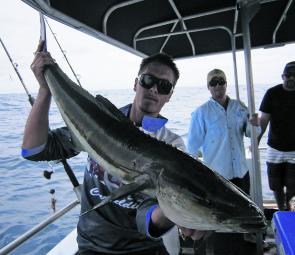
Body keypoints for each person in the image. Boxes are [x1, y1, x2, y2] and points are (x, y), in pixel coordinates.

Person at [21, 41, 205, 255]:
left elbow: (146, 219)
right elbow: (33, 149)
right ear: (136, 84)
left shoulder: (172, 147)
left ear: (170, 95)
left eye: (164, 86)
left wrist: (175, 214)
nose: (154, 89)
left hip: (144, 247)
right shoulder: (100, 123)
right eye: (148, 80)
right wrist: (45, 89)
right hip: (92, 246)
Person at [187, 69, 260, 195]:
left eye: (221, 82)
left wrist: (255, 124)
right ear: (208, 87)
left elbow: (251, 133)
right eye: (213, 83)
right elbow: (192, 147)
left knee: (243, 211)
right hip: (218, 177)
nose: (218, 86)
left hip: (241, 173)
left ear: (226, 84)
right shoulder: (201, 112)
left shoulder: (239, 107)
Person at [258, 61, 295, 211]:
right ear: (282, 76)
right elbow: (263, 121)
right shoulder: (272, 93)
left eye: (294, 76)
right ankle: (282, 208)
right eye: (288, 75)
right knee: (275, 185)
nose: (291, 78)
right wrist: (255, 142)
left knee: (293, 184)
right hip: (274, 148)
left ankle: (287, 203)